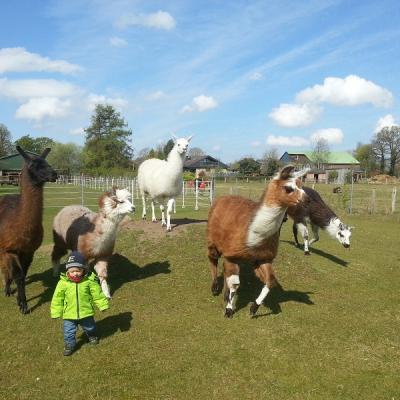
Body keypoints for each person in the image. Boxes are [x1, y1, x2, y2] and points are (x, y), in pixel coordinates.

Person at [51, 251, 109, 356]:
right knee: (68, 331)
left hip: (85, 312)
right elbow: (57, 298)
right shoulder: (63, 283)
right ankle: (69, 345)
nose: (75, 273)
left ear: (83, 269)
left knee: (90, 327)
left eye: (78, 270)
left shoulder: (89, 281)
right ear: (68, 271)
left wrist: (103, 305)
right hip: (69, 314)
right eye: (72, 271)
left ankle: (92, 336)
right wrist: (55, 312)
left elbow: (97, 294)